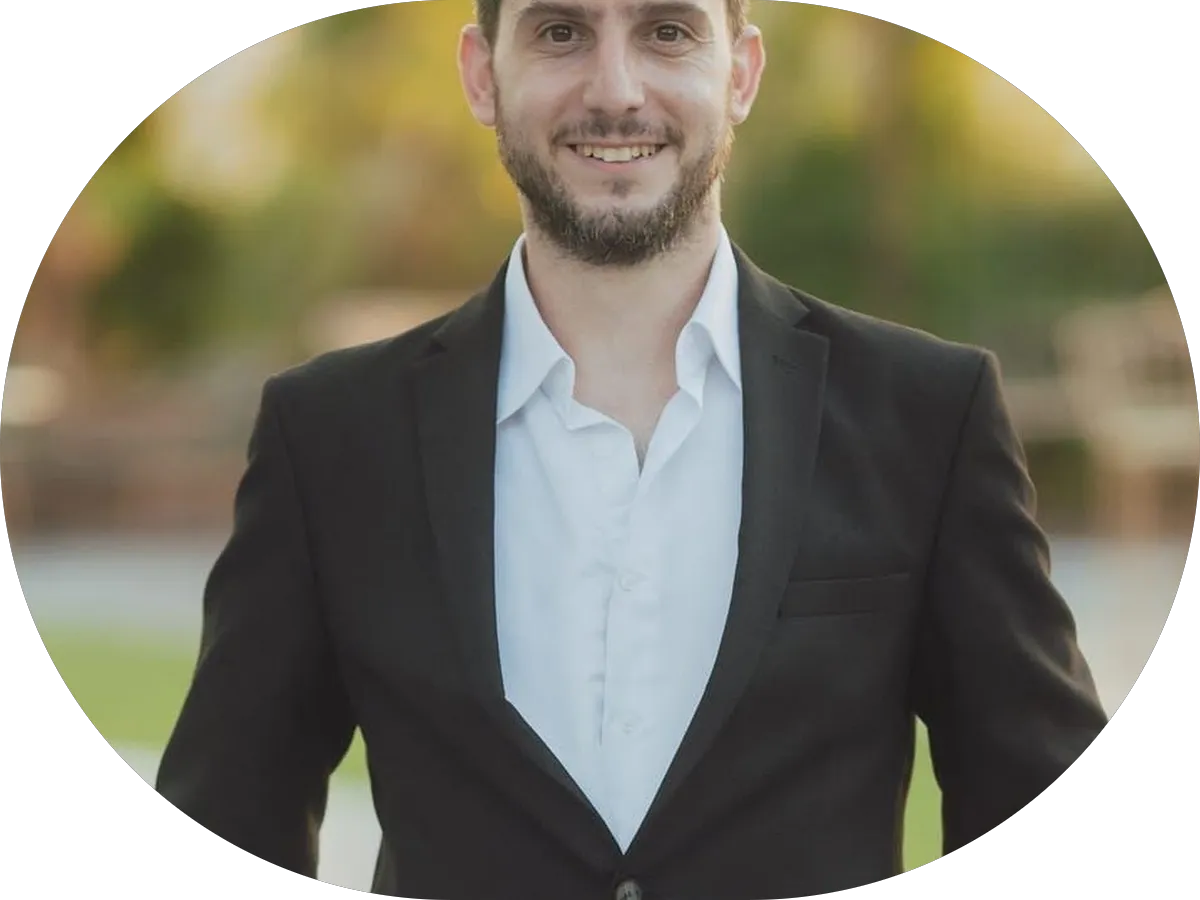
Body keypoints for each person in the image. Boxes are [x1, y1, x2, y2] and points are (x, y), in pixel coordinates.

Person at [155, 1, 1111, 897]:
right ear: (483, 75)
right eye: (561, 32)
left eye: (666, 32)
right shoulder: (329, 435)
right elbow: (230, 808)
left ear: (740, 73)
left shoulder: (929, 416)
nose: (615, 90)